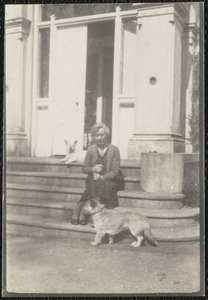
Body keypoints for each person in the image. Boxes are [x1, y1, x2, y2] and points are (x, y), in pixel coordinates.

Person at [71, 123, 121, 225]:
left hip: (109, 181)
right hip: (93, 180)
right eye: (96, 135)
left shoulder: (114, 150)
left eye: (101, 135)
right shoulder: (91, 149)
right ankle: (81, 210)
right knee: (92, 182)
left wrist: (102, 177)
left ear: (106, 135)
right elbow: (84, 168)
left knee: (96, 186)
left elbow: (115, 171)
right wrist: (93, 169)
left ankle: (81, 210)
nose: (99, 138)